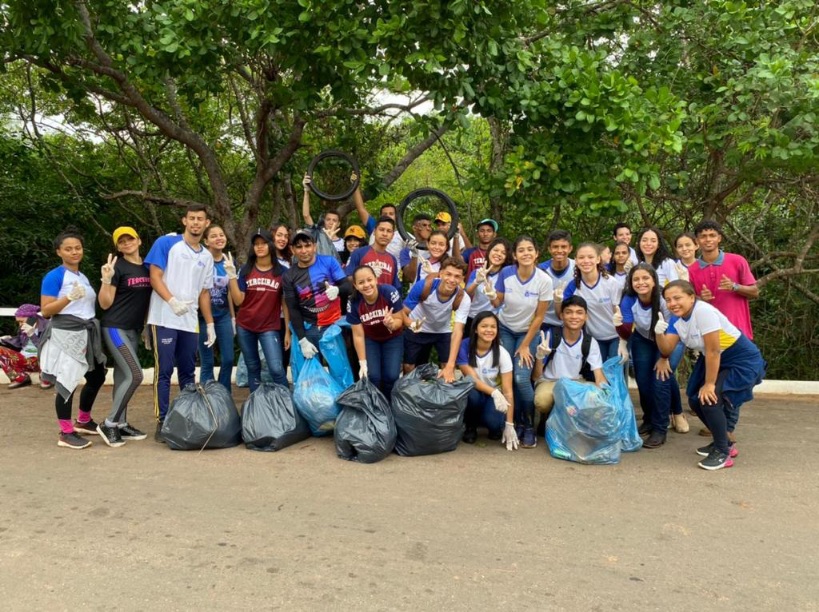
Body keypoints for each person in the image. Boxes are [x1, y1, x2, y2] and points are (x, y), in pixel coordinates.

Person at [656, 280, 765, 470]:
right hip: (715, 357)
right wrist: (659, 333)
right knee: (695, 400)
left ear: (691, 297)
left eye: (677, 298)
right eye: (668, 300)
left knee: (709, 398)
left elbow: (714, 350)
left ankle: (723, 453)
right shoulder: (676, 319)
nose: (672, 303)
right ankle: (724, 442)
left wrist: (709, 384)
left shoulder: (703, 311)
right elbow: (667, 349)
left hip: (739, 358)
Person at [145, 204, 215, 442]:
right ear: (184, 220)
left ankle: (186, 417)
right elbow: (154, 275)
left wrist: (210, 324)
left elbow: (204, 292)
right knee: (164, 371)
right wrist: (172, 301)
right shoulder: (166, 244)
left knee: (187, 373)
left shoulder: (206, 256)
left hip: (189, 321)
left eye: (200, 219)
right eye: (192, 218)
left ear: (207, 224)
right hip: (164, 316)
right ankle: (162, 421)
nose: (196, 223)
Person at [38, 229, 107, 450]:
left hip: (86, 333)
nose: (74, 252)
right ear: (59, 252)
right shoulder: (55, 276)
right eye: (68, 249)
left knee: (97, 376)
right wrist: (68, 298)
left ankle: (84, 420)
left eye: (77, 248)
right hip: (66, 333)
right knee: (67, 382)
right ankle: (65, 433)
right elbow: (46, 310)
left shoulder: (82, 277)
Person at [488, 235, 552, 448]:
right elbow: (498, 302)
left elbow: (539, 317)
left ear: (536, 254)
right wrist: (490, 294)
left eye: (530, 249)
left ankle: (528, 424)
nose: (526, 253)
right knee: (506, 376)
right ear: (514, 255)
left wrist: (525, 345)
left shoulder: (544, 280)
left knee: (521, 378)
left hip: (528, 332)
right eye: (521, 250)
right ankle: (511, 422)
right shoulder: (506, 273)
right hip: (505, 329)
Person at [616, 264, 687, 448]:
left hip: (671, 338)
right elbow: (626, 330)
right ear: (631, 283)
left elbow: (674, 330)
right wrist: (618, 325)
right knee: (643, 380)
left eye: (645, 278)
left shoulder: (664, 298)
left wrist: (663, 358)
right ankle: (648, 418)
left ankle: (659, 428)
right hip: (643, 338)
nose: (641, 283)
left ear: (654, 280)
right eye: (636, 279)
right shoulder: (629, 299)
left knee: (660, 379)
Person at [96, 226, 152, 447]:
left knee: (122, 376)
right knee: (135, 374)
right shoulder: (117, 266)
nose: (127, 243)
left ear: (138, 240)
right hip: (115, 328)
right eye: (122, 241)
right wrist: (106, 280)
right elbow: (104, 303)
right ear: (118, 246)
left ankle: (121, 424)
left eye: (130, 239)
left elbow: (147, 301)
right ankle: (109, 423)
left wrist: (146, 326)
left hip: (134, 329)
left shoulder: (147, 267)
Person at [225, 228, 289, 390]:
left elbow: (285, 303)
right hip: (246, 326)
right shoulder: (246, 270)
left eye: (263, 243)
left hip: (269, 327)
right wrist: (232, 276)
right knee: (253, 368)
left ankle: (286, 404)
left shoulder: (282, 272)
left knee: (276, 368)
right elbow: (239, 300)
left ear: (271, 245)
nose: (259, 247)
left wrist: (288, 330)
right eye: (256, 244)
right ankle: (256, 406)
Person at [532, 296, 607, 420]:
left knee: (597, 397)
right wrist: (540, 356)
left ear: (586, 316)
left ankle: (574, 422)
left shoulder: (589, 341)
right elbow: (536, 377)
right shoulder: (550, 336)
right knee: (542, 401)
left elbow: (598, 375)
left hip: (576, 382)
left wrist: (606, 395)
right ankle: (548, 417)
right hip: (550, 382)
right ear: (561, 316)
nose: (574, 317)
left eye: (579, 313)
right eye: (569, 312)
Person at [283, 230, 352, 359]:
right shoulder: (288, 275)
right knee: (312, 377)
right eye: (299, 247)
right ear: (293, 250)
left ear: (314, 246)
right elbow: (293, 308)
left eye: (307, 245)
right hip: (308, 327)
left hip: (333, 325)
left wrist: (337, 290)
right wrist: (302, 340)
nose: (304, 250)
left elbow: (348, 287)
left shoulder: (329, 262)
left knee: (340, 372)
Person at [401, 257, 471, 383]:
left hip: (442, 330)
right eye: (448, 274)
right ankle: (408, 393)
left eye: (457, 276)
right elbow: (402, 312)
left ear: (462, 279)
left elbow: (457, 331)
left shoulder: (463, 298)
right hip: (418, 326)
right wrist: (411, 324)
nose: (452, 280)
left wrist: (450, 365)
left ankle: (445, 397)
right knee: (408, 366)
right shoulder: (424, 286)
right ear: (440, 273)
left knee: (447, 366)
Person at [456, 311, 518, 450]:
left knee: (494, 423)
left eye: (493, 327)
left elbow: (508, 391)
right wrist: (494, 392)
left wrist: (509, 424)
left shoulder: (502, 353)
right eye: (484, 326)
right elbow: (472, 379)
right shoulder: (464, 345)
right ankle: (470, 426)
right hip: (476, 391)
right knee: (471, 394)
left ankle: (494, 426)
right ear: (476, 329)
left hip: (494, 396)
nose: (489, 330)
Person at [687, 220, 758, 340]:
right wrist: (701, 299)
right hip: (709, 334)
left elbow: (755, 292)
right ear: (697, 241)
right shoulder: (692, 270)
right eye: (703, 236)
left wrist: (735, 287)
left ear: (719, 238)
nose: (708, 239)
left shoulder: (737, 261)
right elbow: (689, 301)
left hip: (739, 332)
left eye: (712, 235)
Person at [558, 242, 626, 364]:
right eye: (581, 257)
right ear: (576, 261)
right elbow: (562, 314)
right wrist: (558, 301)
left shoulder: (611, 283)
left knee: (615, 374)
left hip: (615, 337)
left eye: (590, 257)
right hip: (593, 339)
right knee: (596, 377)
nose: (586, 261)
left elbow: (620, 313)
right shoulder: (573, 286)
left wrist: (623, 341)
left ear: (598, 259)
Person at [347, 265, 404, 400]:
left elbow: (400, 321)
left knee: (391, 376)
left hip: (392, 337)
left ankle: (390, 404)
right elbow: (358, 335)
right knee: (373, 377)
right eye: (361, 282)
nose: (366, 285)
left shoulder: (389, 292)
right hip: (371, 339)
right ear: (355, 285)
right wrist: (362, 362)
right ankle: (377, 406)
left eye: (369, 280)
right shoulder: (353, 302)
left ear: (376, 279)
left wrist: (391, 323)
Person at [197, 224, 235, 392]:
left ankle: (223, 395)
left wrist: (233, 318)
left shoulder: (228, 262)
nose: (219, 238)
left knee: (228, 359)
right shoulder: (201, 261)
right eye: (213, 236)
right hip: (203, 318)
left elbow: (229, 293)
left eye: (221, 234)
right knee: (208, 362)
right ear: (206, 241)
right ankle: (208, 398)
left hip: (224, 316)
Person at [464, 238, 512, 337]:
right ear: (489, 251)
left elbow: (501, 303)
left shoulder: (507, 275)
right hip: (473, 317)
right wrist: (477, 281)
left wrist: (492, 295)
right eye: (495, 250)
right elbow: (468, 292)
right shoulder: (478, 272)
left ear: (506, 257)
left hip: (493, 321)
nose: (498, 254)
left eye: (503, 252)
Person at [350, 174, 405, 260]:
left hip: (392, 271)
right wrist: (355, 184)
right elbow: (361, 209)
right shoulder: (374, 227)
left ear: (396, 216)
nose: (388, 216)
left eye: (391, 214)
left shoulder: (403, 234)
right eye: (385, 214)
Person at [0, 304, 50, 389]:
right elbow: (19, 343)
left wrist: (32, 334)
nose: (20, 324)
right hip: (25, 360)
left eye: (21, 321)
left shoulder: (47, 326)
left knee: (46, 354)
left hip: (41, 361)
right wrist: (6, 339)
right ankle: (21, 377)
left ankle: (46, 378)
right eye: (18, 322)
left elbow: (46, 348)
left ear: (32, 318)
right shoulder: (23, 327)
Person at [344, 216, 401, 290]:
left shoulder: (392, 259)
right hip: (362, 300)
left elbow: (395, 288)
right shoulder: (359, 253)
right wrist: (366, 275)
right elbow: (347, 280)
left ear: (392, 235)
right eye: (381, 229)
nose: (385, 234)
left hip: (385, 300)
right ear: (374, 231)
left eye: (389, 231)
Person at [538, 230, 575, 335]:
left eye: (563, 247)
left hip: (570, 323)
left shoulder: (578, 268)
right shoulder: (540, 270)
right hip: (544, 322)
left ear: (570, 248)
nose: (559, 250)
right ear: (549, 249)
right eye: (555, 247)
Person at [302, 175, 344, 254]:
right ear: (324, 221)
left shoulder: (344, 244)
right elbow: (306, 215)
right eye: (328, 219)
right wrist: (306, 191)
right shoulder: (317, 235)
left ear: (338, 224)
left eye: (334, 220)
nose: (331, 222)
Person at [398, 213, 433, 281]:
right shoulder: (406, 251)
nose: (428, 228)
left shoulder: (436, 249)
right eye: (424, 225)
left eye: (429, 226)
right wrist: (414, 255)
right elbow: (410, 278)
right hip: (416, 290)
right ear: (414, 228)